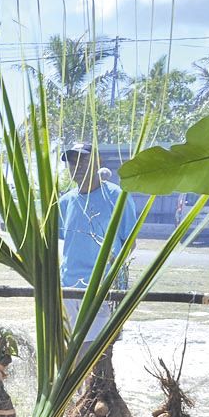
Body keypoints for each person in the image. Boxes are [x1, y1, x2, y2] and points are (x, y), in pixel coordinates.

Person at [58, 141, 138, 347]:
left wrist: (113, 279)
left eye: (83, 159)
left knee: (96, 354)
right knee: (69, 348)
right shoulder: (65, 202)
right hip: (68, 287)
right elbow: (66, 242)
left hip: (102, 289)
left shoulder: (116, 196)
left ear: (97, 161)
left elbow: (130, 243)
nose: (78, 165)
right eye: (72, 161)